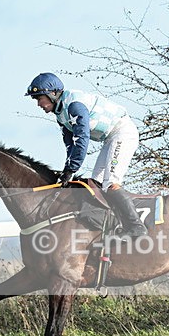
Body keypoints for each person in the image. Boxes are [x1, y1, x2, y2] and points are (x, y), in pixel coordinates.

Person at [25, 72, 148, 238]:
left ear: (52, 94)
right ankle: (114, 224)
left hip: (122, 133)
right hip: (110, 138)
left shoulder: (74, 106)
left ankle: (137, 227)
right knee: (96, 184)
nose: (38, 104)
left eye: (40, 98)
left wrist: (72, 168)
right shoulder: (60, 114)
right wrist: (67, 170)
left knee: (110, 183)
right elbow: (70, 144)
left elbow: (82, 138)